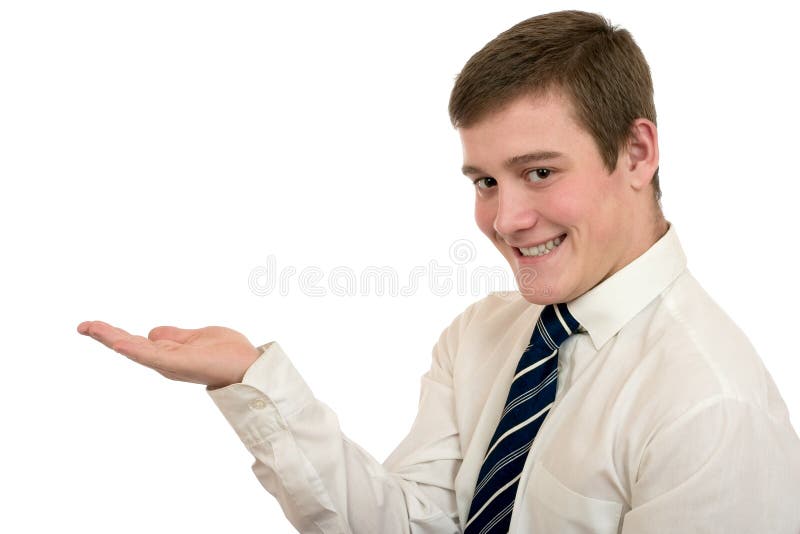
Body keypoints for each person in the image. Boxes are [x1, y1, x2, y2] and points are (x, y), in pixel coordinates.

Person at [77, 9, 800, 533]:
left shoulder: (710, 410)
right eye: (484, 181)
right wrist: (250, 382)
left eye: (539, 171)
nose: (505, 219)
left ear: (638, 154)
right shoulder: (484, 335)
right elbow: (415, 525)